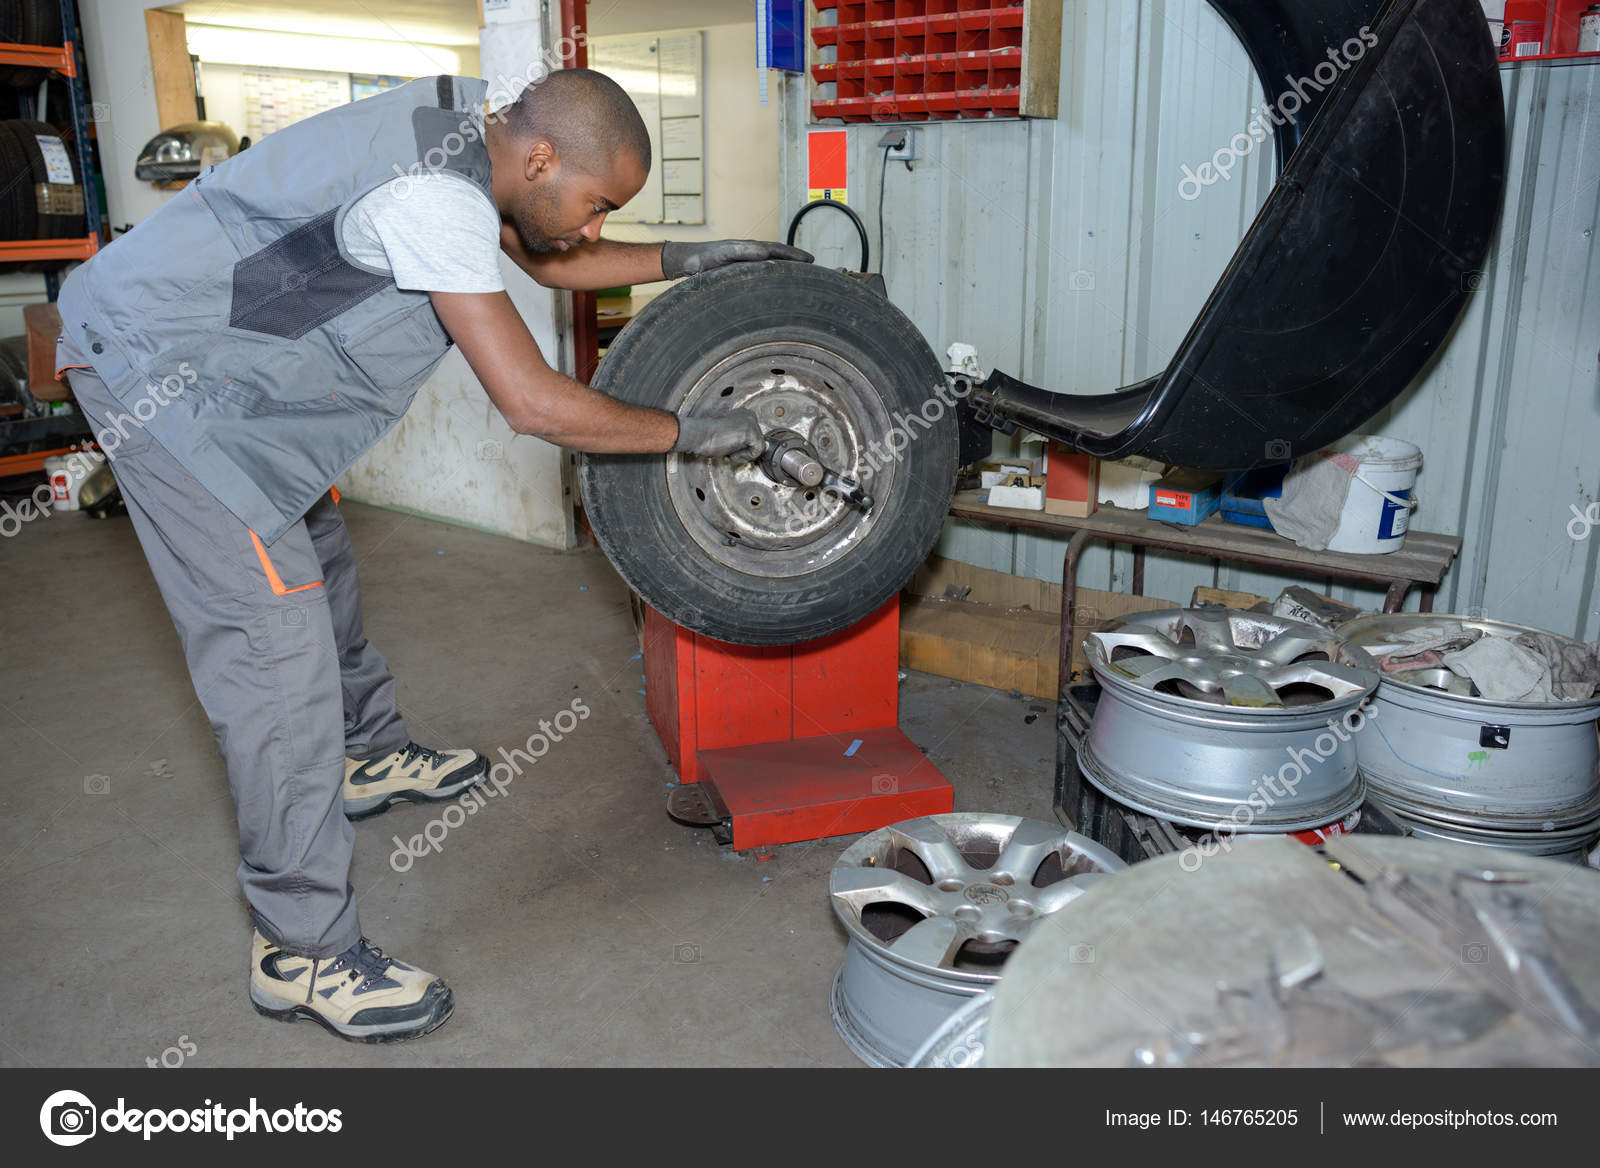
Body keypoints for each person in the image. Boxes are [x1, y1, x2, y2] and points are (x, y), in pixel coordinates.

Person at [54, 68, 811, 1044]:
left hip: (234, 378)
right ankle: (302, 951)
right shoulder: (434, 196)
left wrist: (689, 257)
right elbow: (532, 403)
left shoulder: (472, 128)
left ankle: (366, 758)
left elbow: (543, 252)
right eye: (598, 205)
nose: (593, 228)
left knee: (320, 560)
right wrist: (693, 434)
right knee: (275, 655)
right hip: (164, 378)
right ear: (542, 158)